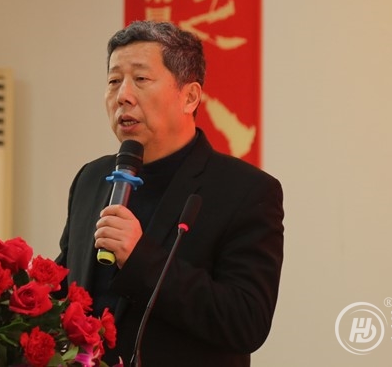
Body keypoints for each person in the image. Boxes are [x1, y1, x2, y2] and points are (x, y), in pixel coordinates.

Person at [56, 20, 284, 366]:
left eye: (141, 79)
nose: (123, 96)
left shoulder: (246, 190)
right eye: (114, 81)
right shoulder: (92, 178)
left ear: (189, 97)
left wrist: (140, 258)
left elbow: (246, 321)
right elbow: (65, 288)